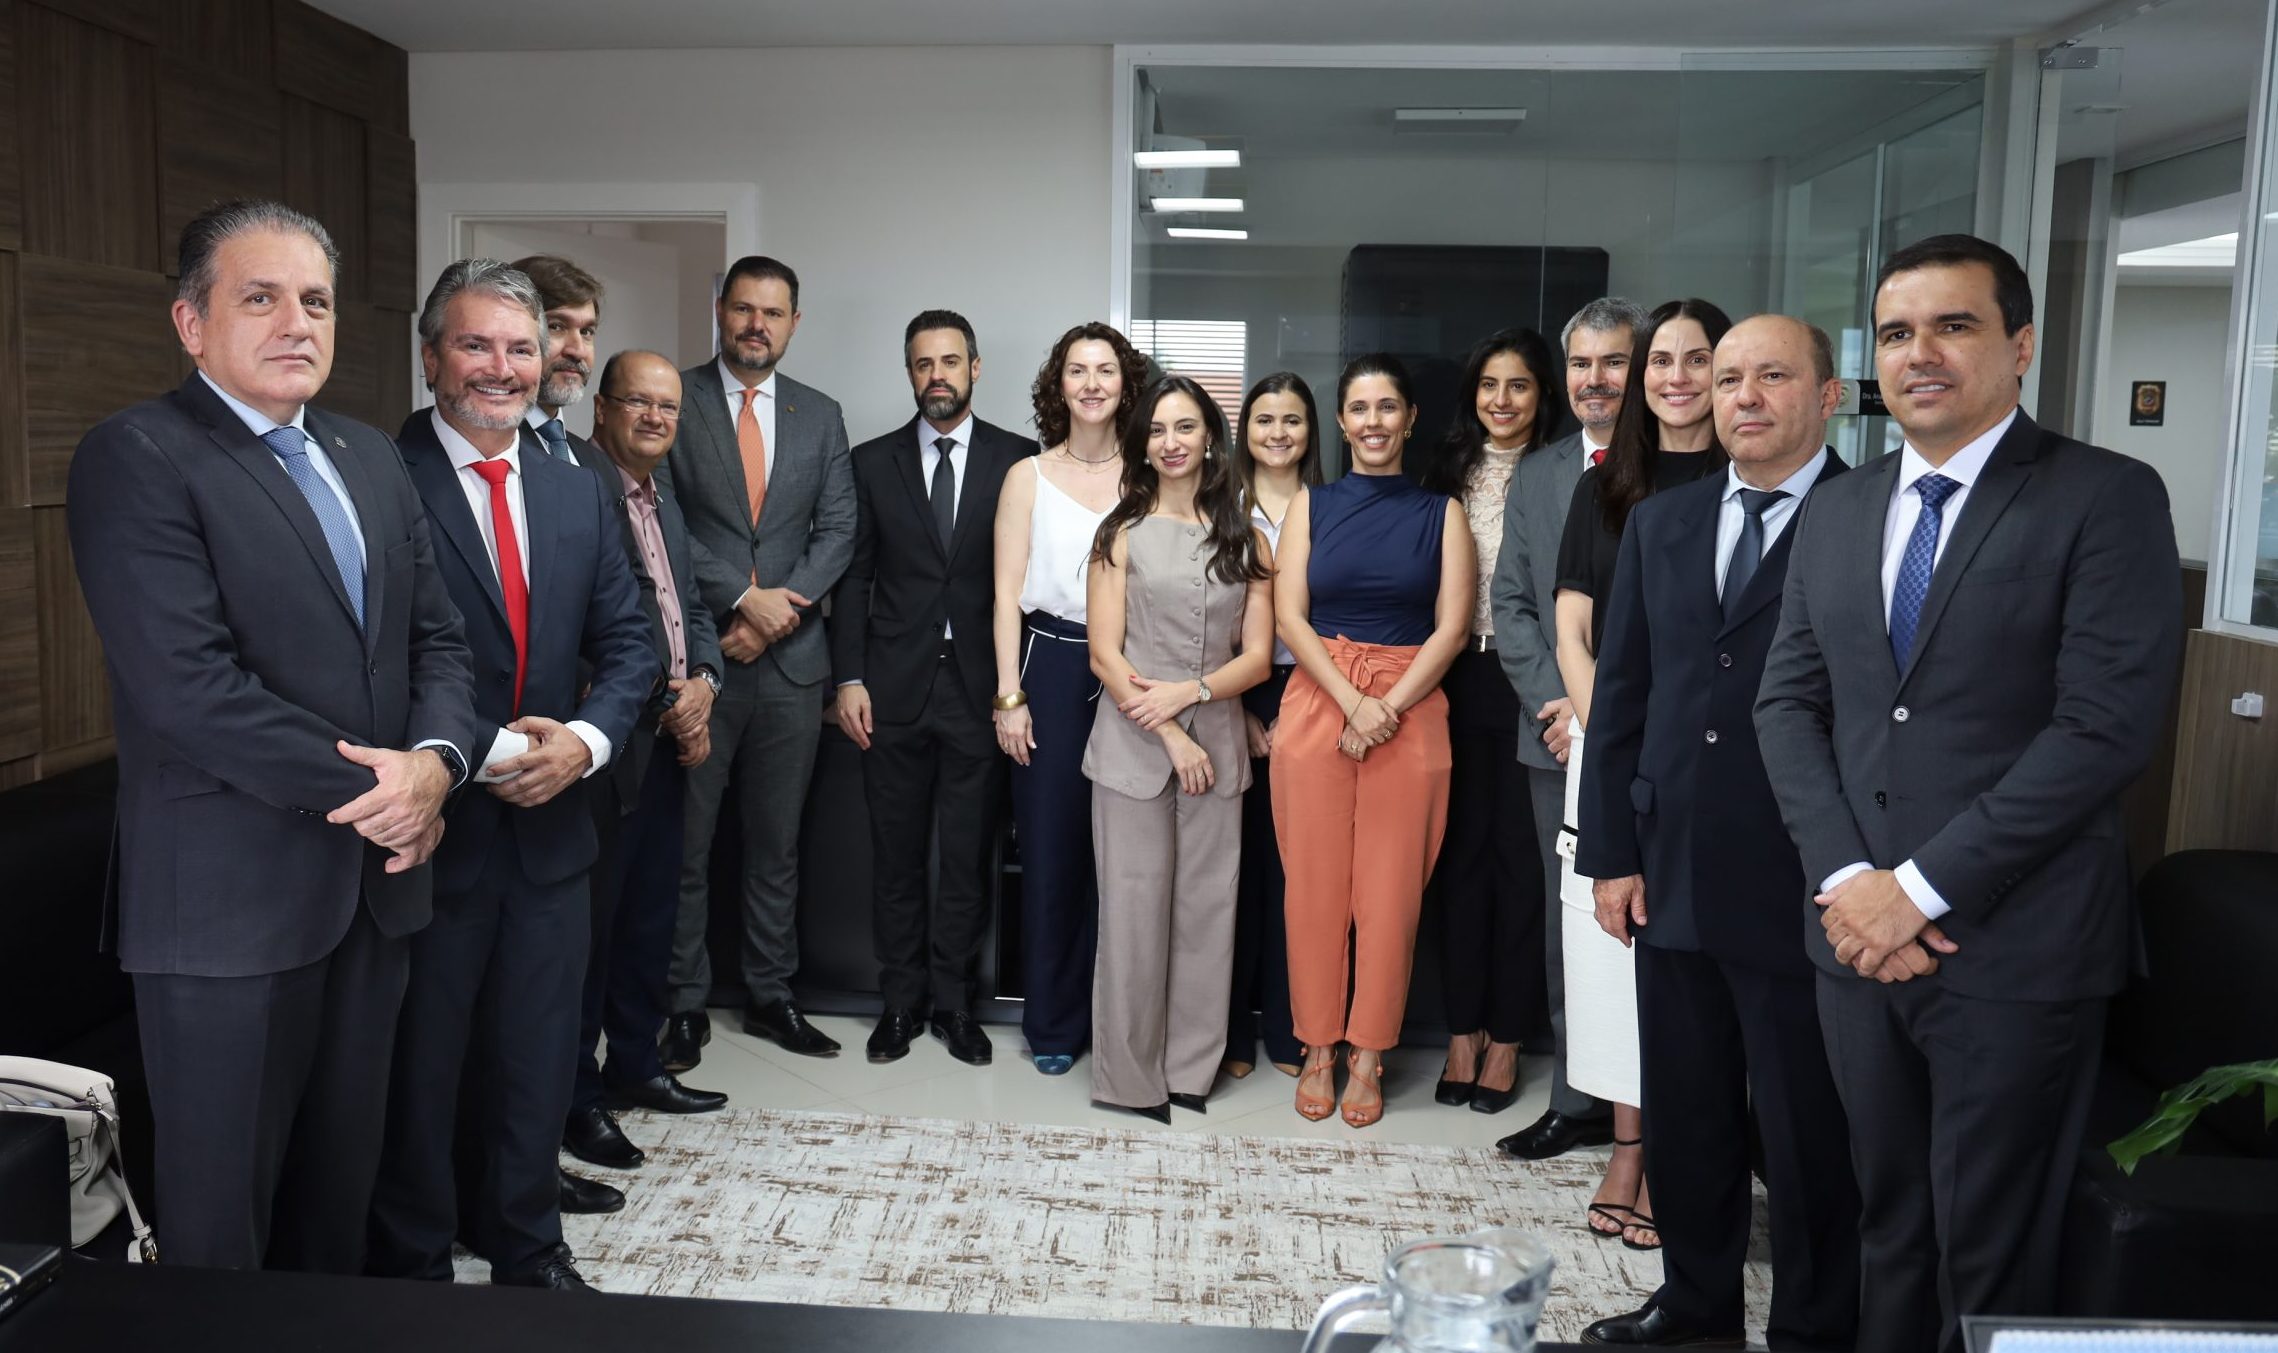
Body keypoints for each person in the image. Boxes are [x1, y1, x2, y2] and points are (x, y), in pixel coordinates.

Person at [1757, 235, 2184, 1353]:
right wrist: (1852, 882)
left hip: (2016, 949)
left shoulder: (2105, 496)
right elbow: (1787, 705)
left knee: (1988, 1253)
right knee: (1888, 1225)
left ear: (2020, 345)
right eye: (1897, 333)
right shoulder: (1839, 510)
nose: (1921, 354)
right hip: (1856, 945)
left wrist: (1920, 890)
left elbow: (2102, 731)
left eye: (1954, 326)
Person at [65, 200, 476, 1273]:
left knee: (336, 1206)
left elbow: (438, 641)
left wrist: (437, 766)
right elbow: (190, 690)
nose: (298, 322)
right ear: (191, 323)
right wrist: (390, 792)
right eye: (261, 297)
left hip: (376, 896)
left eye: (317, 301)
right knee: (222, 1235)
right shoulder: (138, 454)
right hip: (229, 910)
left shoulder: (368, 456)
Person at [368, 260, 654, 1291]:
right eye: (476, 344)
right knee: (424, 1071)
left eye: (521, 348)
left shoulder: (577, 483)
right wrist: (480, 752)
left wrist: (583, 742)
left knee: (537, 1062)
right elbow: (365, 660)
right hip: (432, 834)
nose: (502, 367)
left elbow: (633, 644)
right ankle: (415, 1271)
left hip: (552, 833)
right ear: (430, 354)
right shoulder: (375, 475)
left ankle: (530, 1253)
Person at [1577, 316, 1859, 1349]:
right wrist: (1610, 852)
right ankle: (1695, 1308)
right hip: (1673, 865)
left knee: (1804, 1127)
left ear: (1826, 395)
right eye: (1728, 376)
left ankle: (1814, 1326)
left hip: (1807, 875)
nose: (1743, 395)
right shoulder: (1665, 520)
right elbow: (1624, 694)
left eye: (1771, 375)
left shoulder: (1867, 515)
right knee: (1687, 1109)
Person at [1550, 297, 1732, 1249]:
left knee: (1689, 956)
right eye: (1662, 360)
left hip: (1710, 759)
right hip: (1611, 747)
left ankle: (1675, 1151)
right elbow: (1572, 628)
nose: (1676, 378)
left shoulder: (1751, 479)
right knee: (1608, 955)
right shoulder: (1605, 488)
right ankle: (1627, 1144)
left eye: (1698, 360)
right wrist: (1611, 731)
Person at [658, 256, 857, 1068]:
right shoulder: (676, 398)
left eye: (772, 313)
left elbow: (838, 531)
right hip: (699, 661)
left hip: (790, 668)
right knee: (688, 844)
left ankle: (772, 995)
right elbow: (664, 520)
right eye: (743, 309)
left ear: (793, 323)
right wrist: (742, 599)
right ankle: (682, 1003)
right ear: (721, 310)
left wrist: (776, 616)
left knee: (777, 846)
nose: (756, 326)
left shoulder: (821, 414)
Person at [1272, 354, 1474, 1129]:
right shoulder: (1311, 505)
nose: (1373, 422)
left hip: (1409, 705)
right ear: (1342, 420)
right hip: (1321, 696)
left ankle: (1368, 1052)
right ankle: (1317, 1043)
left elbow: (1452, 628)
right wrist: (1353, 700)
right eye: (1359, 408)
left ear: (1410, 418)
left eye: (1388, 407)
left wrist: (1385, 704)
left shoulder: (1442, 514)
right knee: (1313, 889)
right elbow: (1290, 616)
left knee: (1390, 896)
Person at [833, 310, 1040, 1065]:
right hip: (890, 689)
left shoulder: (1018, 460)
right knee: (894, 856)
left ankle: (954, 1005)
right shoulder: (870, 462)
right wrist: (849, 676)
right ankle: (900, 1003)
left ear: (975, 368)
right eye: (923, 364)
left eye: (950, 361)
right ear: (910, 372)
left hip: (982, 690)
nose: (937, 376)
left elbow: (1028, 580)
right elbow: (854, 578)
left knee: (965, 855)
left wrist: (1017, 689)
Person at [1082, 376, 1275, 1122]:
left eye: (1185, 427)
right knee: (1132, 913)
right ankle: (1129, 1080)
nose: (1171, 442)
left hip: (1218, 746)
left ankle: (1190, 1071)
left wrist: (1191, 696)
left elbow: (1256, 659)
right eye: (1158, 429)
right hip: (1132, 747)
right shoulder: (1119, 534)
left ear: (1210, 440)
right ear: (1142, 445)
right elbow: (1104, 654)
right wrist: (1166, 726)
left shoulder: (1248, 540)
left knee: (1206, 912)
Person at [562, 351, 730, 1197]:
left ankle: (636, 1063)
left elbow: (687, 604)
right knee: (589, 934)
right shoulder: (580, 487)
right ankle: (577, 1098)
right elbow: (587, 624)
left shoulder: (659, 496)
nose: (657, 418)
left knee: (647, 917)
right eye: (639, 402)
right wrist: (667, 696)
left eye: (669, 407)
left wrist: (704, 682)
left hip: (663, 741)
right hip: (606, 744)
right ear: (603, 408)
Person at [1494, 297, 1643, 1161]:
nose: (1596, 379)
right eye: (1581, 363)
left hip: (1655, 735)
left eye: (1614, 361)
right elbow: (1512, 602)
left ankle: (1656, 1110)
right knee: (1572, 927)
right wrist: (1560, 704)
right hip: (1555, 738)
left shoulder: (1681, 463)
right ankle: (1578, 1096)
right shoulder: (1541, 473)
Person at [991, 322, 1145, 1075]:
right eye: (1077, 370)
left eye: (1105, 370)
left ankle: (1118, 1022)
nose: (1091, 383)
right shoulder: (1027, 476)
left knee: (1124, 856)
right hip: (1048, 665)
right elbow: (1003, 596)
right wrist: (1009, 696)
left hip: (1134, 668)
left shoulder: (1149, 474)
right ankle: (1052, 1024)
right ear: (1059, 385)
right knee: (1052, 851)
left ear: (1126, 384)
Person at [1415, 328, 1560, 1117]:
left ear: (1543, 395)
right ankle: (1461, 1030)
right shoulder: (1444, 471)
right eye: (1489, 385)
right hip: (1453, 678)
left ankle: (1508, 1035)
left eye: (1520, 385)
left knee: (1522, 864)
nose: (1502, 400)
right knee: (1458, 861)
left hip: (1531, 681)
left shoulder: (1566, 471)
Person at [1222, 372, 1321, 1081]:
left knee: (1297, 873)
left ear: (1311, 431)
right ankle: (1228, 1031)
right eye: (1264, 419)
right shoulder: (1217, 506)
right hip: (1229, 692)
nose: (1278, 432)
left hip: (1312, 691)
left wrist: (1298, 709)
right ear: (1244, 430)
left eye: (1292, 420)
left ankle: (1291, 1028)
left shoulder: (1333, 506)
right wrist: (1240, 711)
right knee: (1231, 871)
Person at [510, 254, 600, 467]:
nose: (577, 351)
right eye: (556, 326)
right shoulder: (490, 451)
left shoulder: (598, 464)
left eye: (586, 331)